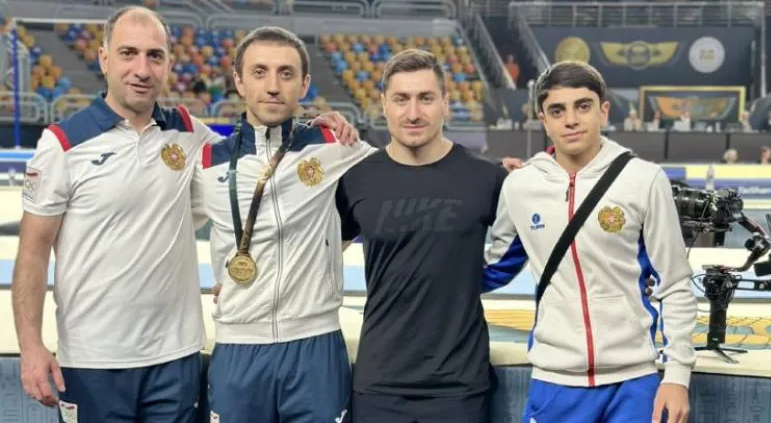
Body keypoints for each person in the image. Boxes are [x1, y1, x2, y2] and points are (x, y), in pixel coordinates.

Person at [11, 5, 356, 423]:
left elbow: (260, 165)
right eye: (128, 53)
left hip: (177, 357)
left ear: (168, 64)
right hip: (93, 357)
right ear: (104, 58)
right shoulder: (63, 144)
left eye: (154, 56)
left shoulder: (190, 134)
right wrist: (30, 345)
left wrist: (314, 125)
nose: (142, 69)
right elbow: (32, 253)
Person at [483, 61, 697, 423]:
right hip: (555, 380)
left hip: (634, 382)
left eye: (582, 106)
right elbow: (493, 268)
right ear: (543, 120)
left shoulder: (644, 180)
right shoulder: (520, 186)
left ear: (603, 110)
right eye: (557, 110)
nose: (571, 120)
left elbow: (674, 283)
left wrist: (677, 375)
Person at [195, 26, 374, 423]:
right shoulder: (206, 163)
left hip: (315, 346)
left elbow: (406, 172)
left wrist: (501, 174)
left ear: (304, 84)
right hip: (238, 346)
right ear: (239, 81)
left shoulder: (334, 146)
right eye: (259, 72)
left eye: (286, 74)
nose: (273, 86)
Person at [335, 48, 507, 423]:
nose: (413, 113)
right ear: (383, 103)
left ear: (445, 102)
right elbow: (318, 255)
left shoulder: (487, 178)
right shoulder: (357, 179)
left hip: (459, 385)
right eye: (401, 99)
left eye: (425, 98)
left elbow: (534, 242)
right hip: (380, 382)